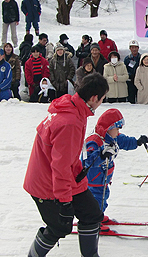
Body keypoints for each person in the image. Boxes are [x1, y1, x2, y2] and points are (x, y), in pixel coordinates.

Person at [23, 73, 109, 257]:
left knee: (92, 214)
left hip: (66, 177)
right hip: (46, 184)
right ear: (94, 98)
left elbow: (67, 157)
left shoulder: (75, 107)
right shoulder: (69, 122)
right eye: (102, 99)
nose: (102, 102)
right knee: (59, 226)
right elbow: (60, 166)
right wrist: (64, 202)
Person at [83, 108, 148, 215]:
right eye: (117, 129)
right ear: (109, 128)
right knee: (97, 200)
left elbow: (124, 141)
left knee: (103, 198)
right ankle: (93, 221)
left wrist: (137, 142)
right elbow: (87, 160)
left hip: (103, 178)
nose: (118, 132)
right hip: (93, 179)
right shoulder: (94, 141)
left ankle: (98, 217)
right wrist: (102, 156)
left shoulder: (112, 138)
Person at [124, 39, 141, 104]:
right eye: (132, 47)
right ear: (130, 48)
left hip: (140, 80)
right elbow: (125, 69)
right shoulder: (127, 58)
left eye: (135, 47)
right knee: (131, 98)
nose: (134, 49)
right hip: (130, 80)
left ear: (138, 48)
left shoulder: (141, 57)